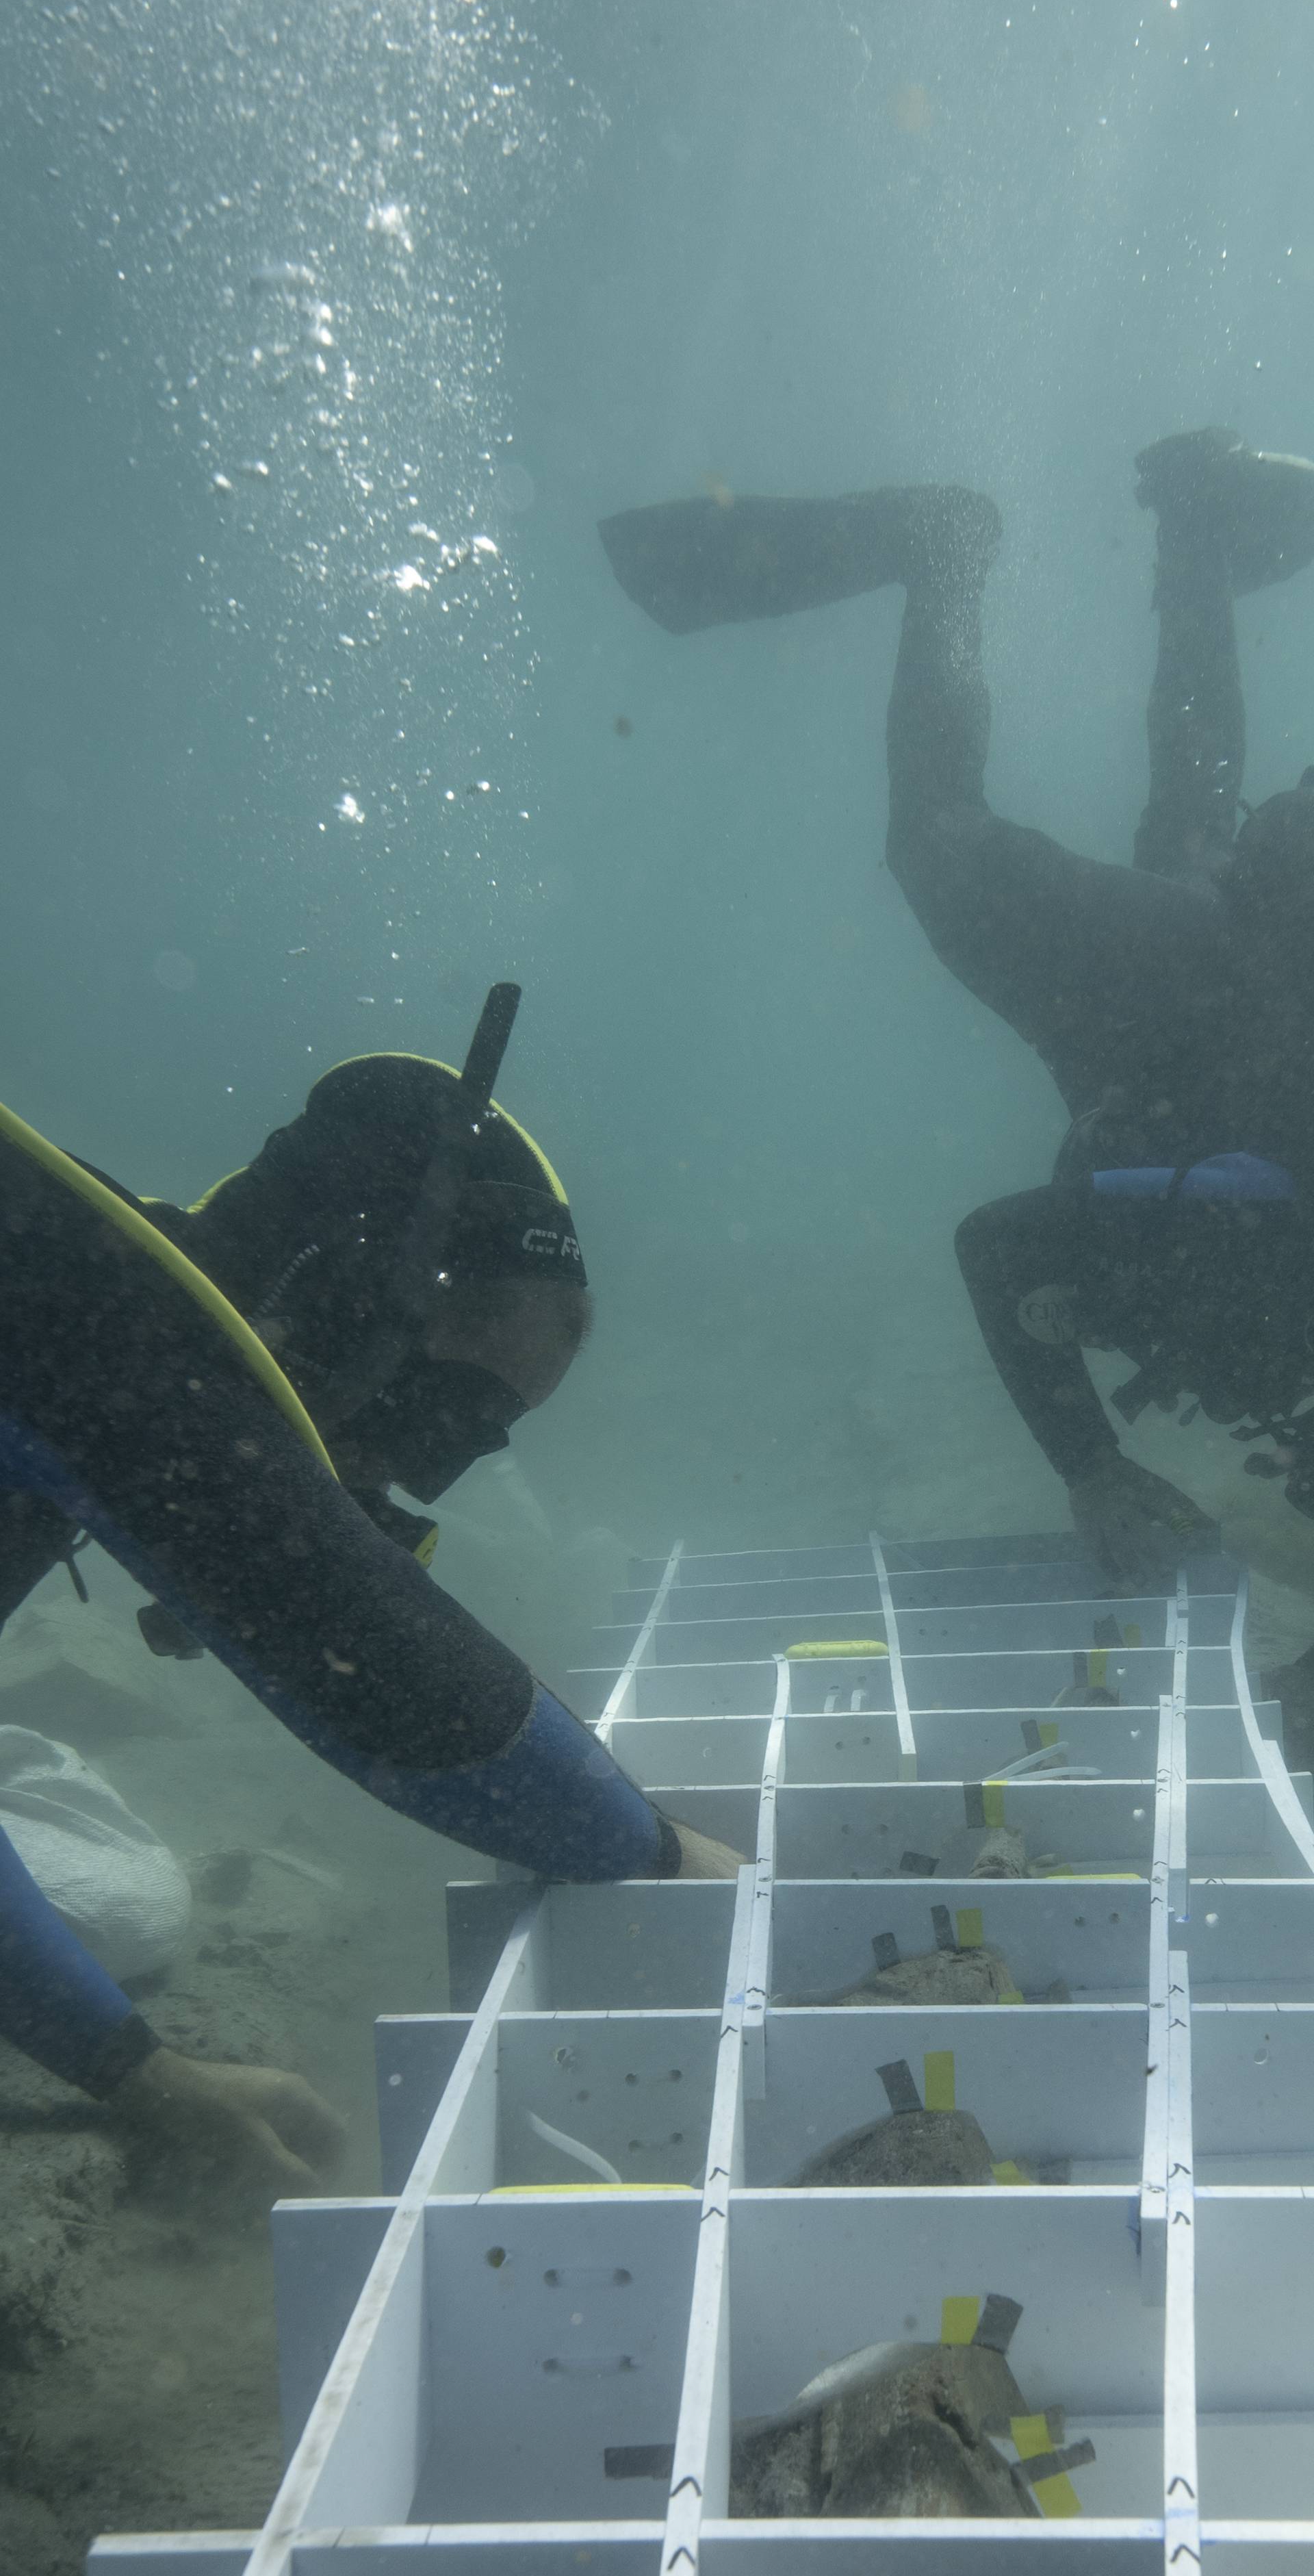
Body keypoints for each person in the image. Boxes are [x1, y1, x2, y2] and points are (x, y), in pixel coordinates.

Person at [600, 432, 1314, 1687]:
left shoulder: (1260, 1231)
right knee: (940, 837)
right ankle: (944, 549)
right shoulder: (1247, 1222)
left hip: (1255, 971)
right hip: (1174, 1002)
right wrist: (1091, 1469)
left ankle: (1200, 524)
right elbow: (1002, 1246)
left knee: (1197, 818)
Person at [0, 986, 736, 2185]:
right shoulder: (90, 1319)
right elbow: (395, 1679)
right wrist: (662, 1858)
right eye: (455, 1418)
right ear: (352, 1308)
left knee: (122, 1911)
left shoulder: (75, 1334)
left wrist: (131, 2067)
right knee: (124, 1910)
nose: (424, 1476)